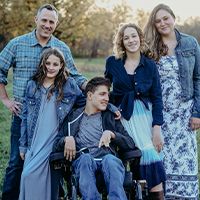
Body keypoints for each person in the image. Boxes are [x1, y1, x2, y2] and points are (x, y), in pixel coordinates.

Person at [0, 4, 87, 199]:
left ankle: (54, 194)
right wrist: (5, 99)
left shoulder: (61, 48)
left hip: (52, 117)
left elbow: (75, 76)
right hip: (24, 116)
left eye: (51, 22)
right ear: (36, 20)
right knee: (16, 163)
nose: (47, 25)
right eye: (44, 20)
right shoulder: (17, 44)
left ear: (56, 24)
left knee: (51, 162)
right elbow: (0, 68)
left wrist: (93, 89)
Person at [143, 3, 200, 199]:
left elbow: (198, 78)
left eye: (165, 18)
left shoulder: (190, 43)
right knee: (162, 156)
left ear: (174, 17)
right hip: (159, 114)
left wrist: (197, 114)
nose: (162, 23)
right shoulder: (150, 46)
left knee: (185, 158)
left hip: (184, 113)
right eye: (157, 21)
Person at [105, 23, 166, 199]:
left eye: (134, 36)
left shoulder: (150, 65)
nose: (131, 40)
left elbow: (157, 99)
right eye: (126, 37)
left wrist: (156, 130)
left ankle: (153, 195)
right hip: (123, 116)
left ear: (140, 38)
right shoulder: (112, 62)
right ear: (121, 42)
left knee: (150, 153)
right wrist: (111, 108)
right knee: (140, 154)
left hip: (145, 118)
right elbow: (104, 90)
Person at [18, 48, 86, 200]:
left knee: (31, 175)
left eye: (55, 64)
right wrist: (23, 145)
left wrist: (110, 107)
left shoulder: (68, 85)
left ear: (61, 65)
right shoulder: (32, 85)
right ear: (42, 63)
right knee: (28, 176)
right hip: (34, 139)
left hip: (52, 138)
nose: (51, 67)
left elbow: (86, 103)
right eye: (47, 63)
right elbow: (25, 116)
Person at [53, 76, 135, 200]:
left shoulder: (110, 117)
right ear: (90, 96)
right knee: (85, 159)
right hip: (85, 162)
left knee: (110, 160)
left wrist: (112, 134)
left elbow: (130, 143)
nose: (107, 99)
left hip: (108, 161)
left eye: (107, 95)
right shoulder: (73, 117)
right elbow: (55, 145)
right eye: (102, 94)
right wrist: (67, 139)